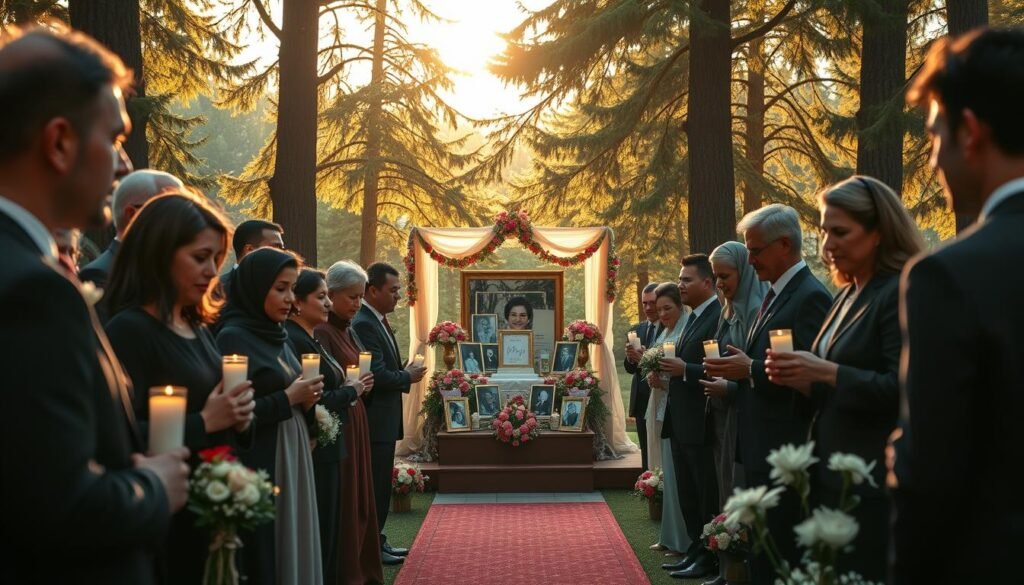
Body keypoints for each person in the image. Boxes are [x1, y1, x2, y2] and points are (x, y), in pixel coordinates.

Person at [0, 27, 188, 583]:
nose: (123, 163)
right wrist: (154, 485)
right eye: (114, 138)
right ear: (59, 143)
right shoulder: (29, 292)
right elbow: (59, 508)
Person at [891, 29, 1024, 585]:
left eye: (933, 136)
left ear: (970, 132)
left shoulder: (951, 276)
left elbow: (931, 478)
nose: (932, 161)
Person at [763, 176, 924, 581]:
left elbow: (904, 390)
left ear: (879, 233)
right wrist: (800, 379)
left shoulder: (899, 292)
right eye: (823, 231)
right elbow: (831, 388)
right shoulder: (847, 294)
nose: (827, 245)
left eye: (840, 232)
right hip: (829, 471)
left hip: (870, 480)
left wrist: (828, 373)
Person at [104, 191, 257, 584]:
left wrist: (241, 419)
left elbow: (223, 420)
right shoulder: (129, 331)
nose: (211, 271)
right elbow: (115, 440)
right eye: (199, 257)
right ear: (158, 253)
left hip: (211, 508)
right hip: (164, 518)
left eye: (215, 259)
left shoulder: (198, 328)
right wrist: (205, 420)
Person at [704, 204, 831, 585]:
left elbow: (808, 377)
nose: (751, 259)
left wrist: (751, 370)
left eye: (755, 251)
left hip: (783, 444)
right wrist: (742, 375)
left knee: (780, 553)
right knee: (764, 549)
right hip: (761, 442)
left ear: (785, 245)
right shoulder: (777, 293)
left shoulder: (808, 296)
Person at [216, 248, 325, 585]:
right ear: (254, 286)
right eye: (280, 288)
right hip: (264, 455)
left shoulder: (279, 335)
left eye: (292, 289)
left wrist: (308, 411)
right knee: (272, 547)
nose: (290, 299)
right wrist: (290, 397)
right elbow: (236, 415)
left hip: (292, 448)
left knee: (296, 536)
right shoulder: (234, 336)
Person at [285, 268, 372, 584]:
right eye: (320, 297)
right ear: (298, 301)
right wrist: (352, 389)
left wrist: (353, 388)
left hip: (335, 430)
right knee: (325, 520)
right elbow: (316, 395)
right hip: (319, 437)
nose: (325, 304)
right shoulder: (308, 337)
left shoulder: (315, 335)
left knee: (335, 518)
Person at [698, 241, 767, 585]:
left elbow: (761, 374)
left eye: (725, 276)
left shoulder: (756, 310)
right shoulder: (728, 311)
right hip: (723, 416)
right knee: (727, 488)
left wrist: (730, 387)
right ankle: (729, 570)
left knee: (740, 489)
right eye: (716, 276)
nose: (720, 283)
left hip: (744, 417)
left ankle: (742, 572)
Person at [313, 260, 385, 584]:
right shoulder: (323, 331)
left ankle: (363, 566)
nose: (357, 304)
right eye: (351, 297)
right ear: (331, 293)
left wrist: (363, 387)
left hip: (356, 416)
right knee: (347, 499)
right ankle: (348, 570)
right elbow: (325, 385)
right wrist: (352, 388)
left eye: (359, 297)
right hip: (340, 419)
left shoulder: (348, 329)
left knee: (360, 496)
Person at [351, 262, 427, 565]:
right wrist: (405, 376)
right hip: (374, 420)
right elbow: (377, 374)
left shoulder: (377, 320)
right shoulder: (365, 323)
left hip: (383, 420)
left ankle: (377, 540)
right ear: (373, 290)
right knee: (374, 485)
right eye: (393, 290)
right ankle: (373, 545)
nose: (398, 295)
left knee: (380, 484)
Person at [658, 255, 721, 580]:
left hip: (700, 420)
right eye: (680, 279)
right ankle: (695, 551)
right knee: (688, 493)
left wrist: (687, 370)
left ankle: (709, 557)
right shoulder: (694, 317)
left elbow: (718, 364)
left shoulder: (717, 316)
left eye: (686, 280)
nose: (680, 284)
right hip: (681, 419)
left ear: (707, 283)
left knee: (703, 492)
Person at [644, 283, 691, 559]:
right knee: (664, 470)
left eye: (667, 308)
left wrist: (663, 379)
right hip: (659, 401)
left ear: (679, 306)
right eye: (659, 309)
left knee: (675, 474)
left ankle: (680, 539)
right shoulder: (665, 331)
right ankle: (668, 535)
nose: (661, 314)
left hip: (674, 405)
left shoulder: (684, 328)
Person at [79, 169, 184, 288]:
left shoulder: (172, 271)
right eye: (171, 211)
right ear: (132, 215)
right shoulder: (99, 276)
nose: (181, 221)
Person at [624, 282, 661, 472]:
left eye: (652, 302)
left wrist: (644, 358)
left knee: (659, 448)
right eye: (644, 303)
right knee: (645, 449)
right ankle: (647, 484)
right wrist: (631, 359)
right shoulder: (636, 330)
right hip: (641, 397)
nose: (647, 308)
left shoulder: (668, 329)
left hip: (659, 394)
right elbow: (630, 369)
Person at [219, 219, 284, 300]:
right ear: (250, 250)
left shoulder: (284, 288)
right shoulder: (219, 289)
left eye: (282, 248)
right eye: (276, 247)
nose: (282, 253)